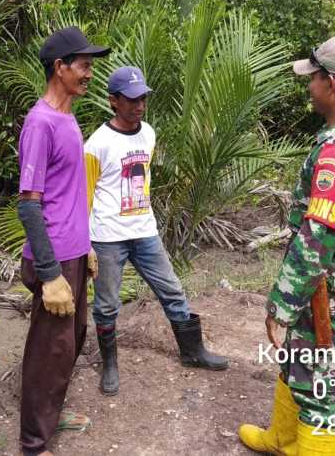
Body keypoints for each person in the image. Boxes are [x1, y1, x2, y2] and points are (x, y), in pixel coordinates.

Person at [237, 36, 335, 455]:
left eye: (314, 78)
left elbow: (317, 236)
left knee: (320, 378)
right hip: (328, 275)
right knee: (299, 359)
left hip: (327, 278)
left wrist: (281, 304)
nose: (309, 86)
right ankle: (282, 439)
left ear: (332, 83)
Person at [84, 66, 229, 397]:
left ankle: (193, 351)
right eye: (132, 99)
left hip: (144, 230)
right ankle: (110, 364)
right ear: (113, 101)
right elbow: (85, 195)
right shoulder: (97, 144)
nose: (139, 106)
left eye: (143, 99)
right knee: (107, 305)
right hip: (108, 237)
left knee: (172, 289)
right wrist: (85, 242)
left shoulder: (148, 133)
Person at [16, 26, 110, 456]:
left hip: (74, 252)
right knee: (48, 350)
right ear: (60, 67)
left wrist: (86, 244)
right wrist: (51, 273)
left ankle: (51, 415)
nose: (90, 74)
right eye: (84, 66)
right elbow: (30, 205)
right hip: (53, 259)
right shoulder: (40, 123)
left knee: (70, 340)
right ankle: (34, 441)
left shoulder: (68, 117)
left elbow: (68, 194)